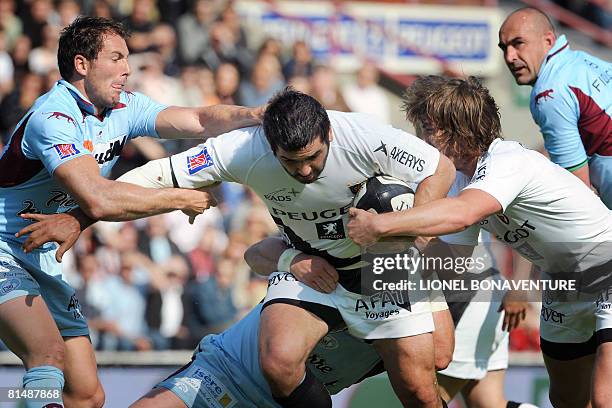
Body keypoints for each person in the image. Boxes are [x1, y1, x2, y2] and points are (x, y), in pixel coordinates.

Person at [27, 88, 456, 407]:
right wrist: (81, 218)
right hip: (311, 267)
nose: (305, 170)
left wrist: (397, 228)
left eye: (314, 157)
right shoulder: (241, 149)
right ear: (271, 146)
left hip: (382, 264)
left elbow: (440, 168)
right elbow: (159, 174)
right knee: (279, 360)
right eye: (292, 163)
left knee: (422, 386)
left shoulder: (361, 133)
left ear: (328, 131)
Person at [0, 16, 262, 407]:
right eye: (117, 57)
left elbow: (199, 119)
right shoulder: (52, 119)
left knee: (86, 394)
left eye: (129, 58)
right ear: (82, 64)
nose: (127, 68)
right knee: (47, 357)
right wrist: (178, 197)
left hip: (42, 254)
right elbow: (99, 199)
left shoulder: (125, 107)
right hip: (3, 249)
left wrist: (256, 115)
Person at [348, 75, 612, 408]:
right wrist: (369, 267)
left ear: (456, 130)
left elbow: (461, 214)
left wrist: (381, 224)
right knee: (567, 401)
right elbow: (450, 258)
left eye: (427, 129)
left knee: (604, 399)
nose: (420, 138)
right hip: (561, 285)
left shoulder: (507, 161)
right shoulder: (463, 180)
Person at [130, 303, 384, 408]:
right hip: (224, 372)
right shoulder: (341, 256)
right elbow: (258, 253)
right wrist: (290, 258)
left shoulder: (414, 330)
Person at [498, 7, 611, 209]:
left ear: (548, 41)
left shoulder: (548, 92)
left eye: (518, 43)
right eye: (504, 48)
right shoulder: (581, 61)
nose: (509, 57)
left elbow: (577, 191)